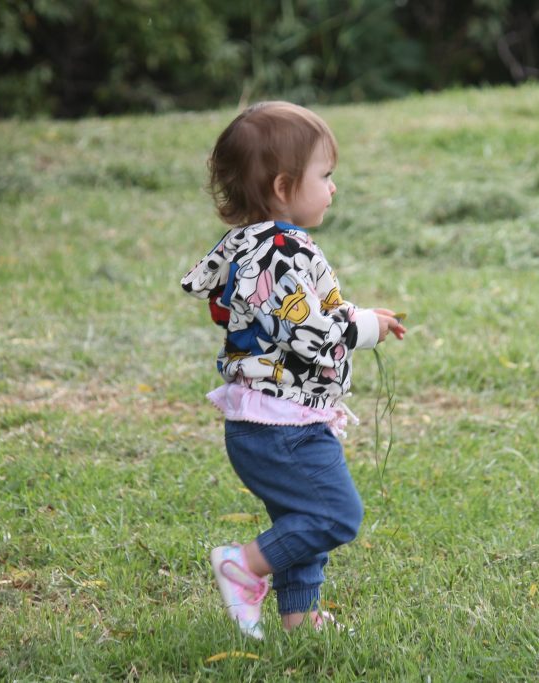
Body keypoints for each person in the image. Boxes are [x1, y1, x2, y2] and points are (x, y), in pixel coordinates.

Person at [180, 101, 406, 639]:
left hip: (272, 421)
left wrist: (359, 316)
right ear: (283, 187)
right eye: (324, 176)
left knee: (299, 517)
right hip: (282, 427)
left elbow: (299, 314)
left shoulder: (261, 246)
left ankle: (300, 618)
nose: (333, 187)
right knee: (334, 515)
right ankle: (242, 566)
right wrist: (362, 329)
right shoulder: (277, 252)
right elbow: (308, 334)